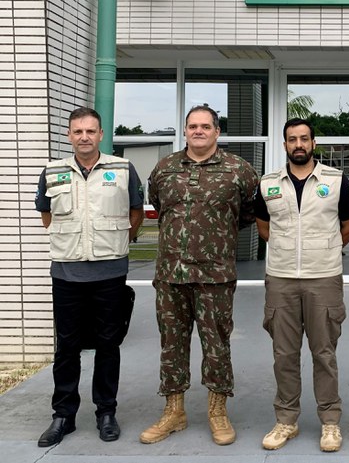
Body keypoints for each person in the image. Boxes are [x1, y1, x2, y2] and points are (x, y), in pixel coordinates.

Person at [139, 105, 259, 446]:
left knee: (217, 345)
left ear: (217, 132)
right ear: (186, 130)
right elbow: (159, 207)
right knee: (171, 345)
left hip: (215, 276)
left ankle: (218, 412)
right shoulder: (164, 169)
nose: (198, 131)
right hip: (170, 275)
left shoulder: (239, 170)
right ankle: (174, 412)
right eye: (192, 126)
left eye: (206, 126)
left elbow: (248, 213)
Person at [34, 107, 144, 447]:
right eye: (78, 131)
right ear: (69, 135)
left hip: (110, 272)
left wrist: (115, 244)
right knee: (66, 346)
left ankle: (106, 412)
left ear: (100, 135)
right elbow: (47, 215)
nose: (84, 137)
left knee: (108, 346)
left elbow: (136, 213)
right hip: (67, 272)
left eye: (91, 131)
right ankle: (63, 415)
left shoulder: (122, 169)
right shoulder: (52, 171)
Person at [255, 118, 349, 452]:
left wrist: (324, 248)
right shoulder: (268, 184)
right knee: (284, 354)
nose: (298, 145)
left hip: (323, 279)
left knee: (324, 354)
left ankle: (330, 421)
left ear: (314, 143)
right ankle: (286, 420)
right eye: (291, 140)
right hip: (281, 280)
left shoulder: (335, 180)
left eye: (303, 139)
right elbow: (263, 226)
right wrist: (289, 251)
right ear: (284, 145)